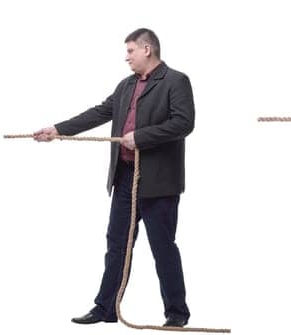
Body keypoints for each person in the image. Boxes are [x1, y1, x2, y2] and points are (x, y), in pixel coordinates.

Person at [29, 28, 195, 327]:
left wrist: (141, 137)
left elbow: (183, 123)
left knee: (162, 246)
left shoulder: (176, 80)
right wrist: (58, 129)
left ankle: (176, 314)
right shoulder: (126, 85)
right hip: (124, 177)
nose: (126, 57)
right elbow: (99, 112)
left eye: (130, 51)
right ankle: (105, 309)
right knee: (116, 245)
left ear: (147, 49)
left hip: (158, 181)